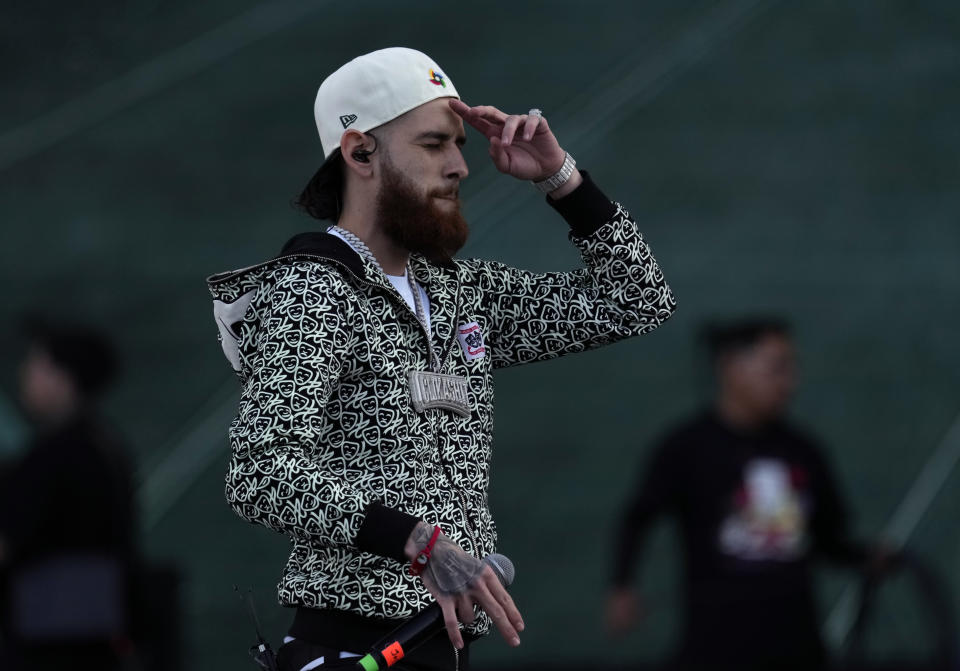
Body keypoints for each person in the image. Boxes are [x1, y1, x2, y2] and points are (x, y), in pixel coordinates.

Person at [207, 47, 676, 670]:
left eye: (458, 145)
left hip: (435, 649)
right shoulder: (313, 289)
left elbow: (636, 300)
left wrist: (558, 177)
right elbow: (261, 473)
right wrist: (417, 542)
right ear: (360, 152)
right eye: (434, 144)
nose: (460, 166)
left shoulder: (460, 291)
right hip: (351, 645)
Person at [606, 318, 886, 671]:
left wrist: (865, 557)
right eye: (777, 368)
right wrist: (622, 586)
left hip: (796, 643)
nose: (789, 382)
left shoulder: (803, 450)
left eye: (791, 368)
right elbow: (639, 517)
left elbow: (826, 537)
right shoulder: (687, 448)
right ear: (730, 368)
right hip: (715, 643)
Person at [0, 318, 136, 670]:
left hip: (49, 638)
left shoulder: (55, 453)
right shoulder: (106, 445)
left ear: (63, 379)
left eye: (35, 364)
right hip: (97, 630)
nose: (24, 374)